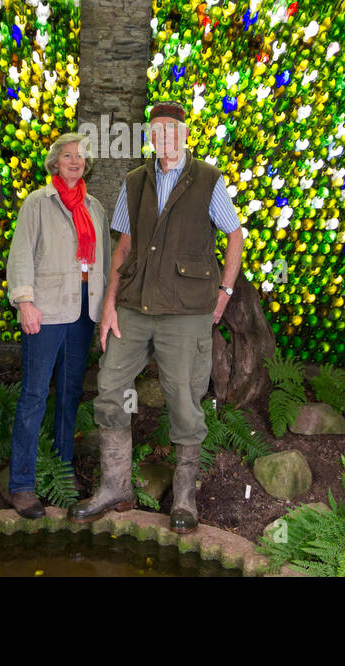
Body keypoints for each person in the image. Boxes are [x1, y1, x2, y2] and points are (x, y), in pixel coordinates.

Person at [70, 100, 243, 530]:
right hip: (134, 306)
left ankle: (184, 498)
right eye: (156, 130)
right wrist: (109, 305)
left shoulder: (207, 179)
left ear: (184, 135)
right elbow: (124, 247)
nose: (163, 137)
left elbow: (235, 235)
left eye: (171, 130)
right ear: (150, 135)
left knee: (184, 399)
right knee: (109, 386)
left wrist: (224, 291)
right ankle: (115, 487)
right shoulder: (135, 181)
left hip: (186, 312)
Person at [5, 133, 110, 518]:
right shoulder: (38, 202)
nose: (75, 161)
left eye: (80, 156)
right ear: (55, 162)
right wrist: (25, 301)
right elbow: (20, 255)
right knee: (34, 396)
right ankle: (22, 484)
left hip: (83, 311)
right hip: (46, 311)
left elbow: (106, 259)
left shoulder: (95, 207)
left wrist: (105, 310)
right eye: (67, 155)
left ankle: (62, 475)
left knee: (69, 395)